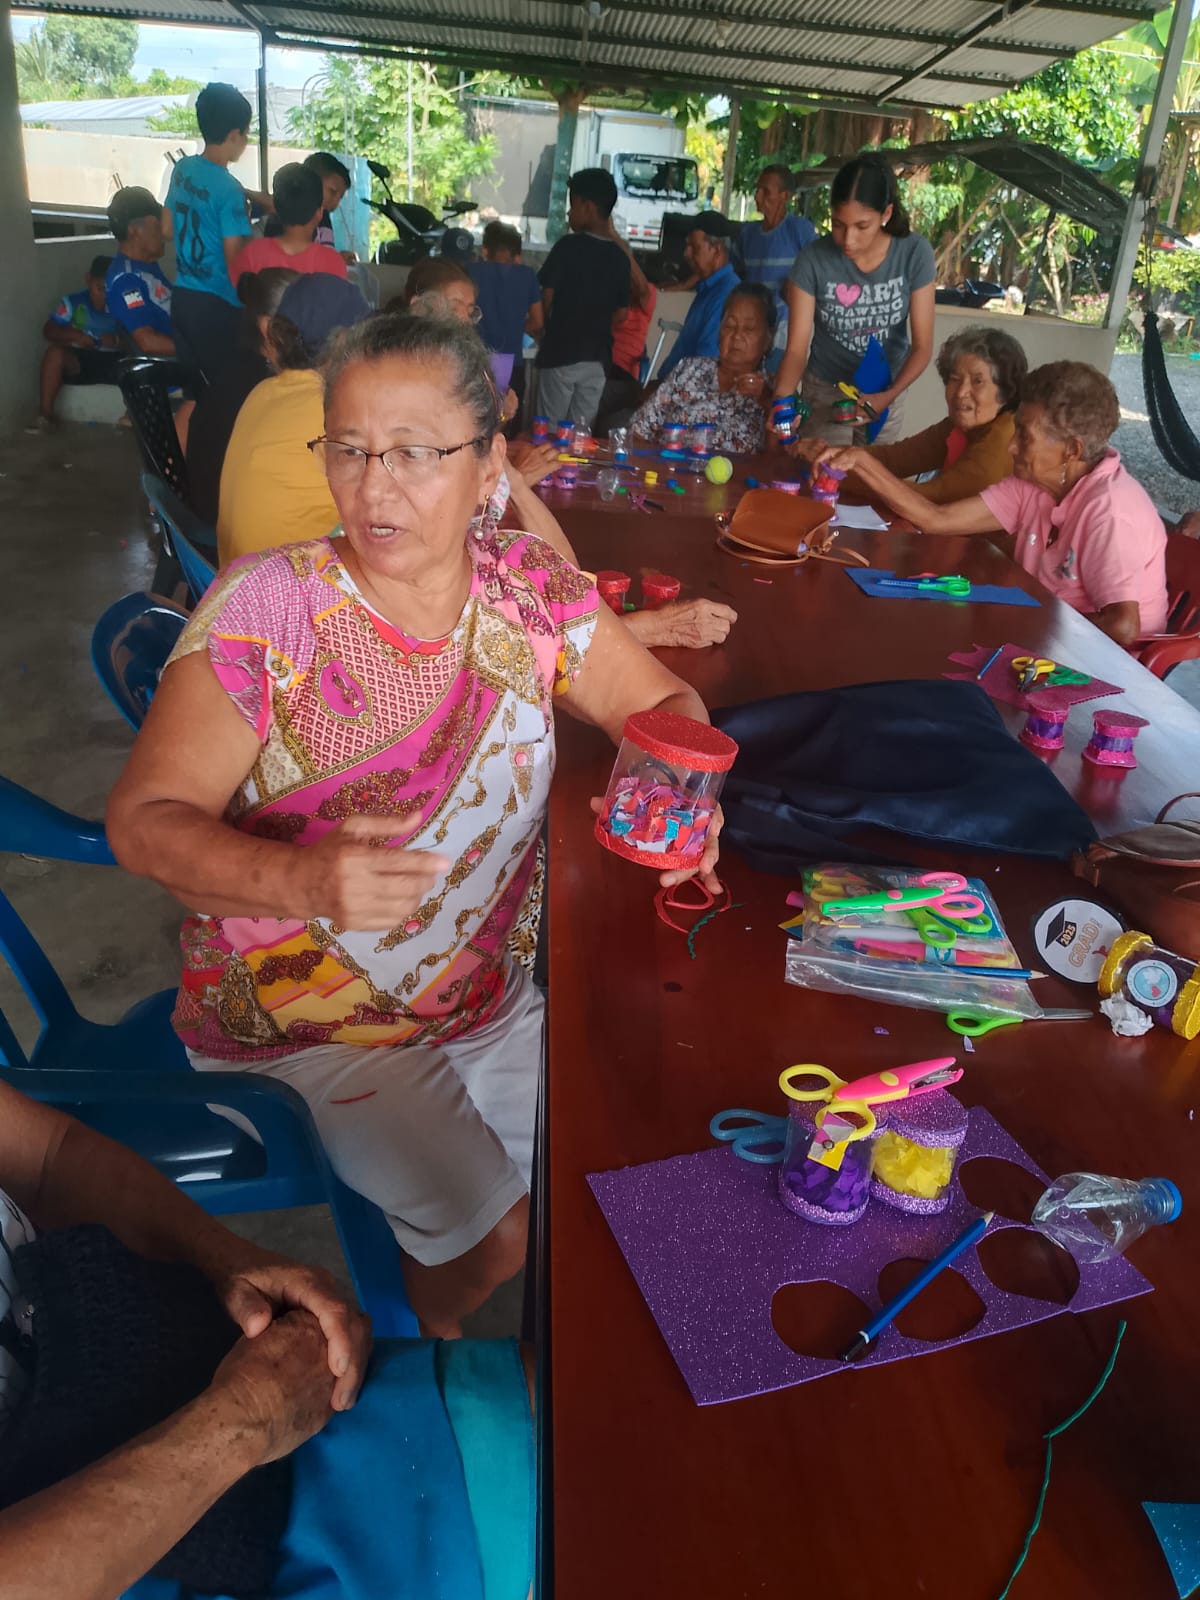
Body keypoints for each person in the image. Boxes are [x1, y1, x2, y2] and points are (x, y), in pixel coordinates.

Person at [106, 312, 724, 1339]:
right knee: (500, 1240)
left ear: (488, 468)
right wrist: (304, 882)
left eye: (413, 453)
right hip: (303, 1020)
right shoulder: (270, 609)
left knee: (631, 1173)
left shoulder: (531, 590)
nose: (373, 486)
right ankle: (420, 1349)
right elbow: (144, 824)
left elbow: (660, 703)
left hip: (478, 997)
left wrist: (678, 793)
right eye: (349, 449)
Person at [0, 1079, 534, 1599]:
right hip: (142, 1542)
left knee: (551, 1417)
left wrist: (226, 1261)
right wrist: (243, 1421)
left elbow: (50, 1158)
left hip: (218, 1366)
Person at [822, 360, 1167, 645]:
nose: (1011, 447)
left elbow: (1123, 627)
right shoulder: (1035, 486)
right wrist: (862, 462)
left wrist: (1036, 629)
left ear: (1071, 450)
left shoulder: (1108, 511)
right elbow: (936, 519)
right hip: (1041, 635)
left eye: (1025, 437)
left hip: (1104, 664)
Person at [774, 152, 936, 444]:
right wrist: (782, 402)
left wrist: (887, 396)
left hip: (886, 389)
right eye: (838, 224)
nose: (848, 240)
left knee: (872, 469)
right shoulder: (813, 260)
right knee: (822, 469)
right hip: (825, 390)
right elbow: (796, 350)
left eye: (862, 226)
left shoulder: (914, 254)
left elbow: (922, 347)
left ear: (886, 214)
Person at [216, 274, 370, 564]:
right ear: (343, 344)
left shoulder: (262, 392)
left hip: (239, 577)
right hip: (286, 584)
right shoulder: (335, 409)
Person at [799, 325, 1027, 506]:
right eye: (955, 379)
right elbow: (895, 458)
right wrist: (831, 456)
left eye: (978, 382)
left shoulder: (1001, 443)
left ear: (1005, 390)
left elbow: (928, 500)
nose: (961, 393)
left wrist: (835, 471)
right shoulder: (959, 427)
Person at [164, 83, 265, 381]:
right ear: (234, 135)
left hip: (183, 298)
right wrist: (250, 233)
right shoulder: (229, 189)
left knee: (196, 391)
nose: (246, 140)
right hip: (218, 305)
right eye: (246, 133)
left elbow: (167, 229)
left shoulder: (182, 169)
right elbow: (234, 258)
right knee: (227, 392)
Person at [185, 267, 298, 527]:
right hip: (226, 523)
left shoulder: (237, 366)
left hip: (209, 513)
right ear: (268, 327)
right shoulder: (267, 386)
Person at [536, 168, 641, 428]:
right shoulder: (620, 258)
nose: (569, 213)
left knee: (549, 431)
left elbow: (546, 299)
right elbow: (621, 314)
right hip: (597, 360)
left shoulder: (567, 247)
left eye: (572, 205)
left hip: (561, 353)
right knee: (581, 434)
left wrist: (552, 327)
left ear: (588, 207)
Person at [629, 283, 774, 454]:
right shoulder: (689, 369)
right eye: (730, 326)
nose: (736, 335)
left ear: (768, 340)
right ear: (719, 332)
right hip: (669, 468)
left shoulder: (772, 392)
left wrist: (767, 400)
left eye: (749, 329)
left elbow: (778, 458)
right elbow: (638, 431)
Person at [732, 165, 816, 362]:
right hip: (753, 326)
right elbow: (731, 273)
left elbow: (819, 271)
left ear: (785, 196)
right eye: (757, 190)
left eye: (766, 191)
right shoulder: (748, 234)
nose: (757, 196)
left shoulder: (800, 230)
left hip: (787, 330)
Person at [35, 254, 122, 427]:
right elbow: (49, 331)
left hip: (115, 361)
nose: (104, 296)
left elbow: (140, 338)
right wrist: (75, 336)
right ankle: (45, 415)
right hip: (81, 361)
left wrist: (117, 340)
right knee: (54, 353)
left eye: (109, 290)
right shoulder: (72, 302)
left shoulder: (122, 304)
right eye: (99, 288)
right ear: (88, 279)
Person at [468, 221, 542, 417]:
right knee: (506, 420)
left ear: (485, 250)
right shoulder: (527, 276)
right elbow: (538, 320)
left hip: (476, 359)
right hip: (511, 361)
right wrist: (515, 329)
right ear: (517, 254)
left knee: (478, 420)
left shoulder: (471, 272)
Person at [234, 163, 349, 284]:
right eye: (332, 191)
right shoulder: (331, 261)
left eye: (340, 197)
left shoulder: (254, 252)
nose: (336, 203)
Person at [658, 213, 740, 383]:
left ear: (716, 250)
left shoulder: (726, 294)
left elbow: (705, 365)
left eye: (694, 247)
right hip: (673, 385)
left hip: (684, 390)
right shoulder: (709, 288)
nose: (687, 253)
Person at [105, 187, 174, 356]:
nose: (163, 233)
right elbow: (147, 342)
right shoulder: (126, 279)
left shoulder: (146, 266)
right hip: (176, 367)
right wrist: (201, 351)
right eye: (157, 226)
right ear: (134, 230)